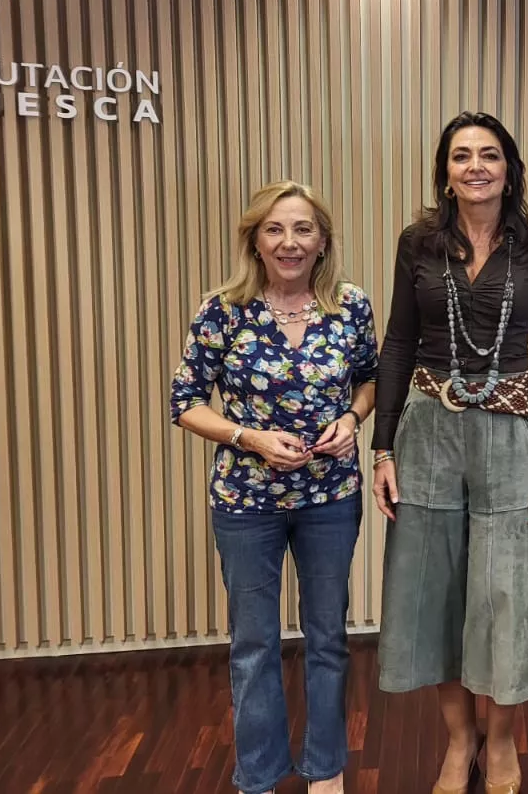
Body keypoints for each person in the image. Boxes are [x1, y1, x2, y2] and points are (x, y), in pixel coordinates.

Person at [371, 111, 528, 794]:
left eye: (489, 155)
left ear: (510, 170)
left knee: (505, 593)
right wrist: (382, 448)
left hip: (512, 432)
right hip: (428, 429)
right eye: (461, 156)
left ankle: (505, 741)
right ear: (446, 172)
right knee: (438, 591)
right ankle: (460, 743)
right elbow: (397, 344)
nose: (475, 166)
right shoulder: (418, 243)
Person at [170, 180, 377, 794]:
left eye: (303, 229)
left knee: (329, 637)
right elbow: (184, 404)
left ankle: (325, 771)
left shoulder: (351, 305)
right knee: (254, 643)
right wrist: (249, 438)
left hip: (331, 500)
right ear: (255, 241)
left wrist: (353, 418)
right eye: (275, 230)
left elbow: (371, 380)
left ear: (322, 241)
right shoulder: (222, 310)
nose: (290, 242)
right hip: (245, 504)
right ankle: (257, 775)